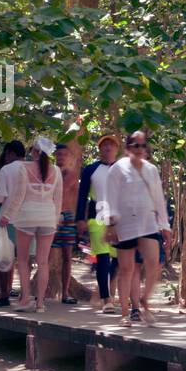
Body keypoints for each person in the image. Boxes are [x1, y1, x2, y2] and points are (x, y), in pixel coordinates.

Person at [106, 131, 171, 327]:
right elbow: (109, 198)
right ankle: (125, 313)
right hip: (124, 225)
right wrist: (110, 225)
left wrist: (164, 225)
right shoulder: (117, 169)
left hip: (148, 223)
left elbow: (159, 198)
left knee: (154, 263)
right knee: (126, 270)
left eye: (143, 146)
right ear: (128, 148)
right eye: (136, 145)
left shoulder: (151, 170)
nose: (140, 149)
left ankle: (144, 300)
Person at [0, 137, 62, 313]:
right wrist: (55, 222)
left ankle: (25, 298)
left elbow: (18, 197)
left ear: (34, 151)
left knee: (24, 260)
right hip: (48, 218)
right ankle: (40, 303)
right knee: (43, 263)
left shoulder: (24, 168)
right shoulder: (56, 171)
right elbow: (58, 201)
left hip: (26, 217)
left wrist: (7, 215)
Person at [76, 134, 121, 314]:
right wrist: (80, 218)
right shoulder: (91, 169)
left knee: (118, 259)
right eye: (104, 145)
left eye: (111, 145)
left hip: (119, 219)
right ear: (99, 149)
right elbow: (82, 194)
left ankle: (108, 289)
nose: (108, 148)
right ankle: (106, 299)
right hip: (98, 217)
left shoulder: (122, 169)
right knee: (102, 257)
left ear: (117, 149)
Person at [0, 141, 27, 306]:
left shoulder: (6, 169)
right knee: (24, 259)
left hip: (7, 219)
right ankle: (25, 295)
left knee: (4, 258)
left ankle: (4, 294)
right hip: (28, 219)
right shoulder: (31, 169)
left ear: (10, 153)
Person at [52, 142, 81, 304]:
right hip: (51, 216)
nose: (61, 157)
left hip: (68, 217)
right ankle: (41, 292)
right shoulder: (50, 172)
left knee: (67, 256)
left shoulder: (72, 175)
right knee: (46, 256)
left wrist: (78, 220)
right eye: (59, 154)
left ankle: (64, 293)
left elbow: (74, 197)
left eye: (64, 154)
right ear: (55, 156)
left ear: (70, 157)